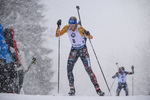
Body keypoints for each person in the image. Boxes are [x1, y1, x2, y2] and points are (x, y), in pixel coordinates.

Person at [56, 16, 104, 96]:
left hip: (83, 50)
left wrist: (87, 34)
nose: (71, 26)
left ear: (75, 24)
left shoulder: (80, 29)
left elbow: (90, 37)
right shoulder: (67, 28)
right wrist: (58, 27)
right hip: (74, 49)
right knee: (69, 69)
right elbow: (58, 35)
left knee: (88, 70)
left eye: (73, 24)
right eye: (70, 24)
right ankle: (72, 89)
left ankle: (98, 89)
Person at [0, 24, 15, 93]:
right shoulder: (5, 39)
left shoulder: (3, 37)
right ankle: (7, 89)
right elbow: (5, 48)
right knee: (8, 76)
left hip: (5, 60)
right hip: (7, 60)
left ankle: (4, 89)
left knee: (4, 76)